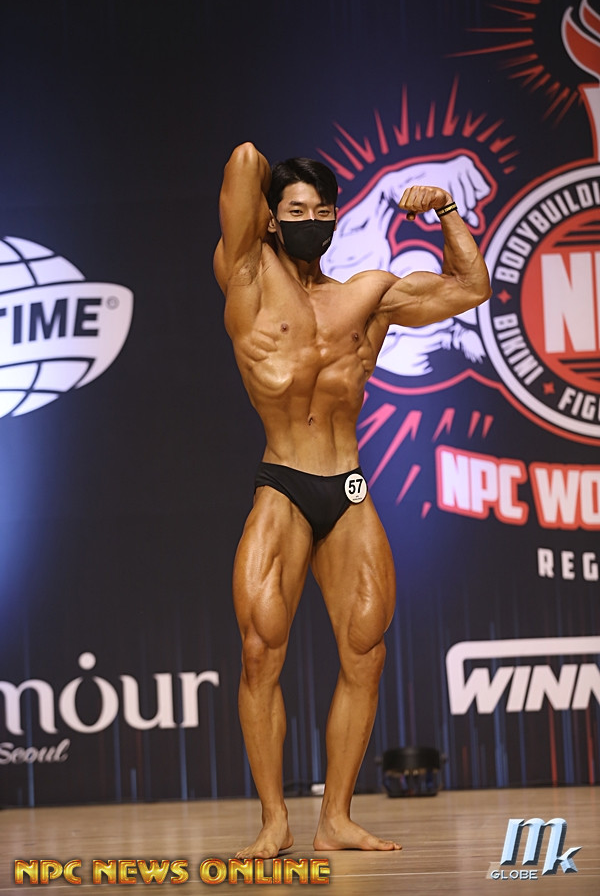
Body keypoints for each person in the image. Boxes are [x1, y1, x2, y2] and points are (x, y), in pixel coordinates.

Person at [213, 142, 491, 859]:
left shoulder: (369, 294)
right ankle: (274, 820)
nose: (310, 221)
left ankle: (334, 818)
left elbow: (472, 287)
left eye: (322, 211)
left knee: (365, 649)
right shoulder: (246, 276)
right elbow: (244, 161)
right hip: (283, 481)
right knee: (259, 650)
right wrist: (271, 192)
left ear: (337, 219)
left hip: (348, 484)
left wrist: (446, 209)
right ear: (270, 219)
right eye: (296, 210)